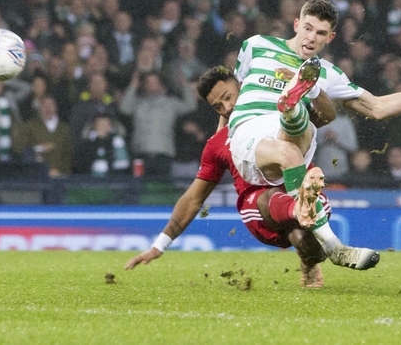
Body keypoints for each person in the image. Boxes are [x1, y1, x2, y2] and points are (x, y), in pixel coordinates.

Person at [228, 0, 401, 268]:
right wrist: (219, 142)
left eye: (320, 33)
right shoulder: (256, 45)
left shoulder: (329, 72)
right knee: (295, 137)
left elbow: (378, 107)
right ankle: (337, 248)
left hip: (288, 142)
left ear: (330, 38)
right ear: (296, 24)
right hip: (249, 132)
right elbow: (230, 98)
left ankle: (293, 106)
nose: (311, 38)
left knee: (301, 132)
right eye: (307, 28)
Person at [125, 67, 376, 287]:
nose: (226, 107)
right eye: (217, 107)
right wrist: (160, 244)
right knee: (271, 198)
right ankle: (306, 213)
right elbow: (193, 198)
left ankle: (309, 253)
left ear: (242, 86)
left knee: (307, 243)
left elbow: (328, 116)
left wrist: (314, 89)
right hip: (259, 207)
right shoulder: (218, 143)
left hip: (298, 186)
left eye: (227, 98)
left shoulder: (275, 110)